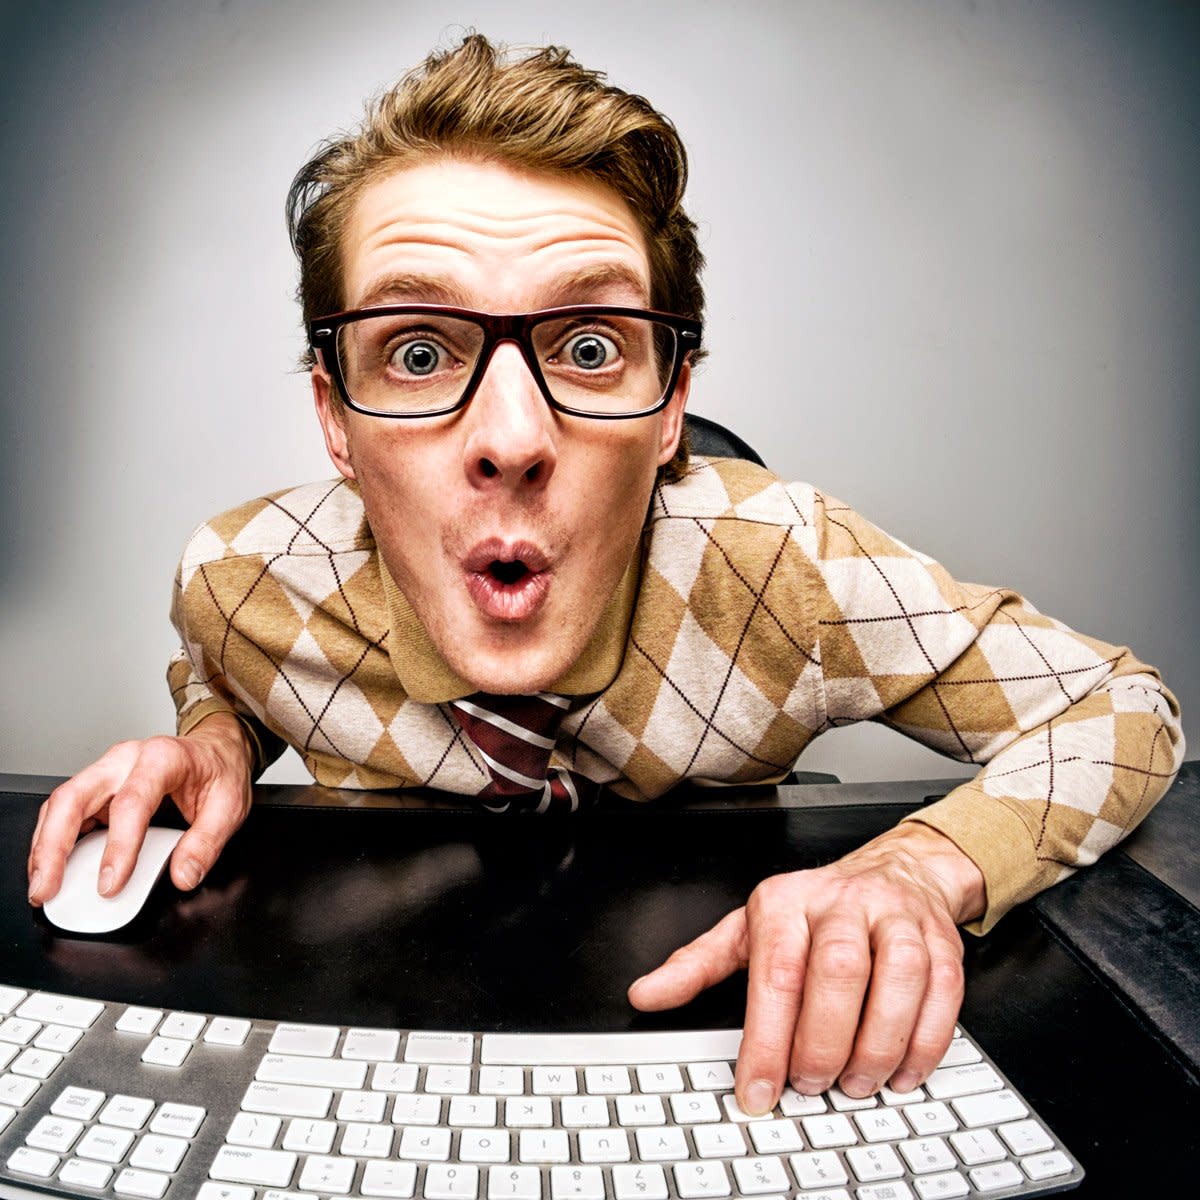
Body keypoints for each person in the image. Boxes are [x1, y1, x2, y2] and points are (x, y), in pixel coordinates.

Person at [27, 36, 1183, 1117]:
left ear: (672, 402)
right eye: (418, 353)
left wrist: (922, 870)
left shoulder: (786, 569)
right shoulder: (241, 582)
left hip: (729, 1059)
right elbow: (230, 674)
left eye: (591, 347)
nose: (515, 438)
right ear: (335, 421)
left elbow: (1119, 707)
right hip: (393, 1038)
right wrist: (216, 739)